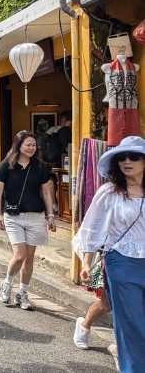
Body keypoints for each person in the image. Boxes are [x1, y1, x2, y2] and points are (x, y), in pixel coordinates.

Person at [78, 136, 145, 372]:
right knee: (131, 322)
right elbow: (92, 227)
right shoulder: (109, 192)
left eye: (134, 157)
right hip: (122, 260)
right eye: (122, 158)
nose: (127, 161)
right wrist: (86, 262)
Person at [0, 130, 56, 311]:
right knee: (19, 255)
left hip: (36, 216)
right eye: (27, 145)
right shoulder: (6, 166)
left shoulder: (40, 167)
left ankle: (22, 293)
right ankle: (7, 282)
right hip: (14, 216)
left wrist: (50, 215)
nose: (31, 148)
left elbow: (46, 192)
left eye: (33, 145)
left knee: (29, 258)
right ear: (18, 145)